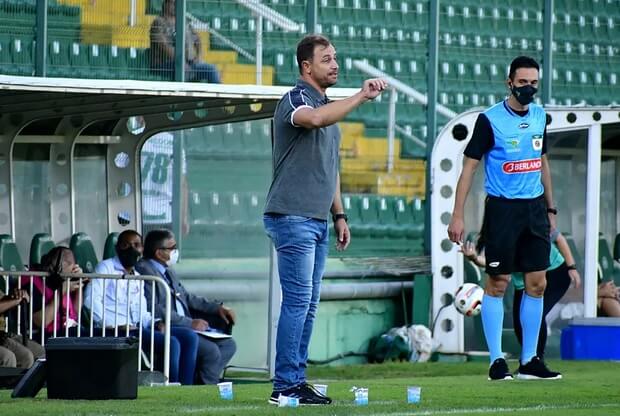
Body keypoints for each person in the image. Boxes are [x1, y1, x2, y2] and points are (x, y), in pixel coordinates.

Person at [263, 34, 387, 405]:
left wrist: (340, 214)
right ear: (307, 67)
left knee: (308, 303)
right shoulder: (296, 100)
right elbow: (314, 119)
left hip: (316, 220)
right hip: (292, 216)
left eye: (335, 58)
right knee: (298, 301)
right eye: (327, 59)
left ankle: (295, 381)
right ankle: (284, 385)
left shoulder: (328, 107)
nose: (335, 64)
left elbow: (331, 169)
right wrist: (361, 96)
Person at [447, 56, 560, 380]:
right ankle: (497, 360)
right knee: (498, 282)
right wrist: (457, 215)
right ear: (509, 82)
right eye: (523, 82)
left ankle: (529, 361)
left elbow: (543, 163)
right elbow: (469, 168)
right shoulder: (489, 120)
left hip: (535, 209)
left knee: (537, 283)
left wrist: (550, 209)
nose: (529, 88)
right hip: (502, 210)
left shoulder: (540, 117)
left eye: (533, 83)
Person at [84, 229, 199, 385]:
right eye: (126, 245)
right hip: (116, 330)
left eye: (137, 245)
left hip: (138, 329)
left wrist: (156, 322)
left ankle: (186, 387)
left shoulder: (137, 276)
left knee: (189, 336)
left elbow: (142, 314)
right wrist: (111, 325)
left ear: (142, 249)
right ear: (118, 248)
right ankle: (172, 387)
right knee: (172, 343)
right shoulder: (106, 268)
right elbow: (90, 300)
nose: (132, 249)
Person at [462, 228, 581, 360]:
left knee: (535, 315)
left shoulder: (530, 220)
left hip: (554, 273)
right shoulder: (497, 232)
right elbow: (489, 261)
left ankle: (536, 361)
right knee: (519, 322)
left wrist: (571, 268)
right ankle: (529, 360)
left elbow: (559, 238)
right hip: (523, 281)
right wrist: (474, 258)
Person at [135, 229, 237, 384]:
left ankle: (201, 381)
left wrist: (217, 308)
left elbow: (187, 297)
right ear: (159, 253)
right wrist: (190, 323)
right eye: (172, 247)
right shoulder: (145, 270)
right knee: (211, 352)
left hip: (189, 326)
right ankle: (206, 390)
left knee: (229, 345)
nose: (176, 251)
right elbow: (153, 308)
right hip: (171, 327)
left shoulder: (167, 271)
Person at [149, 0, 220, 83]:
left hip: (187, 63)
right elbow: (163, 46)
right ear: (165, 4)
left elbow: (197, 40)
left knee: (210, 70)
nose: (176, 6)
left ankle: (218, 95)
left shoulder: (183, 21)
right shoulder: (158, 22)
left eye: (177, 3)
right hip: (164, 64)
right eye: (173, 3)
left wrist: (198, 57)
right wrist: (181, 61)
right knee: (188, 72)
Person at [24, 246, 87, 338]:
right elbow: (41, 321)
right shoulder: (32, 281)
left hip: (70, 329)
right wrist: (61, 291)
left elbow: (76, 311)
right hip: (48, 336)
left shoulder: (63, 280)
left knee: (109, 334)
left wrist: (78, 281)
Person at [141, 131, 189, 236]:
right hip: (165, 216)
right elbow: (182, 184)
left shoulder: (139, 139)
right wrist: (183, 217)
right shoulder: (175, 143)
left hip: (137, 212)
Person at [0, 288, 44, 368]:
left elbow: (4, 302)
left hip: (2, 335)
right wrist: (15, 301)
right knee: (9, 358)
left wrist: (16, 296)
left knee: (41, 353)